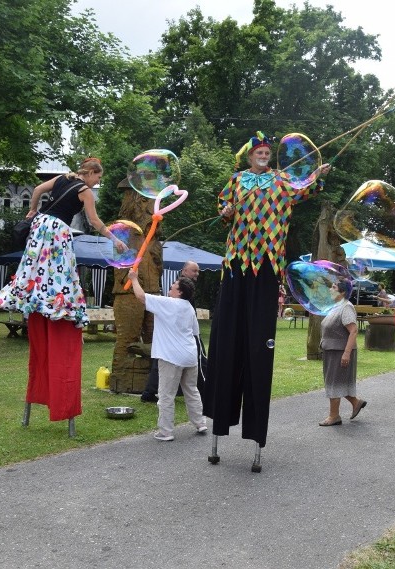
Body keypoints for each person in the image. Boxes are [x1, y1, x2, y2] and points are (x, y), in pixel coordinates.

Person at [205, 132, 330, 454]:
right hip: (236, 262)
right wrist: (227, 212)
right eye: (258, 152)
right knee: (227, 337)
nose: (263, 155)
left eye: (266, 152)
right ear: (249, 156)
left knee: (259, 343)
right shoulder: (236, 181)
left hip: (266, 261)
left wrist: (318, 175)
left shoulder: (281, 180)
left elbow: (306, 190)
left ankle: (255, 431)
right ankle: (220, 419)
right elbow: (223, 208)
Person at [0, 157, 125, 422]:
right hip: (57, 232)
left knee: (34, 268)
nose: (98, 182)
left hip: (39, 227)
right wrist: (114, 240)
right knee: (60, 272)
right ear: (90, 173)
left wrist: (32, 211)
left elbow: (36, 190)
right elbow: (94, 221)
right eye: (98, 178)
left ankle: (31, 293)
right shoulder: (84, 191)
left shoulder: (63, 178)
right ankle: (58, 300)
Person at [128, 273, 207, 441]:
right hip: (190, 356)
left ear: (179, 292)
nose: (170, 287)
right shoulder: (189, 307)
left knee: (166, 395)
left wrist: (134, 278)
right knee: (192, 391)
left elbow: (141, 297)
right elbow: (195, 333)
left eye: (173, 285)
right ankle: (200, 423)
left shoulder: (167, 303)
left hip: (171, 357)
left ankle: (166, 431)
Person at [141, 259, 202, 403]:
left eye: (198, 271)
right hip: (174, 336)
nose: (197, 274)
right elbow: (149, 300)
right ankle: (151, 392)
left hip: (182, 335)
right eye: (194, 270)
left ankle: (150, 392)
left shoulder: (186, 288)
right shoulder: (178, 289)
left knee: (164, 364)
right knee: (163, 365)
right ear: (184, 271)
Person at [318, 280, 365, 426]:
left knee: (334, 382)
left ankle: (334, 416)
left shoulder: (346, 307)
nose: (330, 289)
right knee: (336, 381)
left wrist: (346, 353)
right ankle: (356, 402)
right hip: (332, 350)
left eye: (334, 287)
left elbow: (353, 331)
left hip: (340, 351)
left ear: (342, 292)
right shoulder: (336, 307)